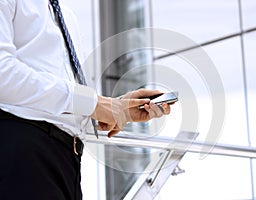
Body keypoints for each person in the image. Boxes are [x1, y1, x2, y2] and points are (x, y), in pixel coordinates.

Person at [0, 1, 172, 200]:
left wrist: (118, 109)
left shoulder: (65, 15)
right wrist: (93, 103)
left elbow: (63, 105)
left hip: (65, 161)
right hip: (23, 151)